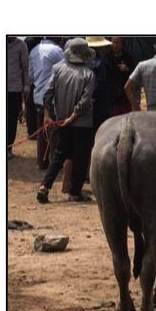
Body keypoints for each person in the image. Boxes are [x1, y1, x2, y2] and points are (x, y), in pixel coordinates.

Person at [36, 38, 96, 204]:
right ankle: (74, 192)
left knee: (59, 154)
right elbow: (84, 101)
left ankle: (44, 186)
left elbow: (47, 94)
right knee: (81, 157)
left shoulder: (58, 69)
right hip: (82, 123)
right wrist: (73, 117)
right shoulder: (88, 74)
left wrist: (48, 115)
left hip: (61, 121)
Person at [29, 37, 64, 168]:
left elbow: (31, 76)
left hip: (38, 96)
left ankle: (41, 162)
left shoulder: (33, 51)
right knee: (54, 131)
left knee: (41, 129)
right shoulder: (57, 50)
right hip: (53, 98)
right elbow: (64, 71)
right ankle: (54, 164)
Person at [7, 36, 29, 159]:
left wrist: (26, 86)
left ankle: (8, 148)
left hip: (14, 89)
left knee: (11, 120)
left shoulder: (21, 45)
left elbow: (25, 67)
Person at [87, 36, 113, 134]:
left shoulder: (84, 62)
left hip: (87, 107)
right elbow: (101, 85)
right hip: (101, 106)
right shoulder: (102, 63)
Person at [107, 36, 136, 116]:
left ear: (122, 44)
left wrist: (127, 69)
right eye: (113, 43)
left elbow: (134, 74)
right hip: (111, 95)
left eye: (117, 43)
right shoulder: (107, 57)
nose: (115, 45)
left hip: (125, 95)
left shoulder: (128, 57)